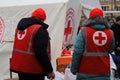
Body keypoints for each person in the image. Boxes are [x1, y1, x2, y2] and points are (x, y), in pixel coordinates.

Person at [10, 8, 55, 80]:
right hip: (33, 70)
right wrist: (49, 70)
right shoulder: (39, 30)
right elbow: (41, 52)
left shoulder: (20, 28)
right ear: (41, 19)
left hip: (21, 68)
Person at [71, 8, 115, 80]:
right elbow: (111, 49)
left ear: (90, 18)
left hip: (85, 71)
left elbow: (77, 52)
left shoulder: (83, 31)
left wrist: (74, 69)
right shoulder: (110, 33)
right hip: (104, 72)